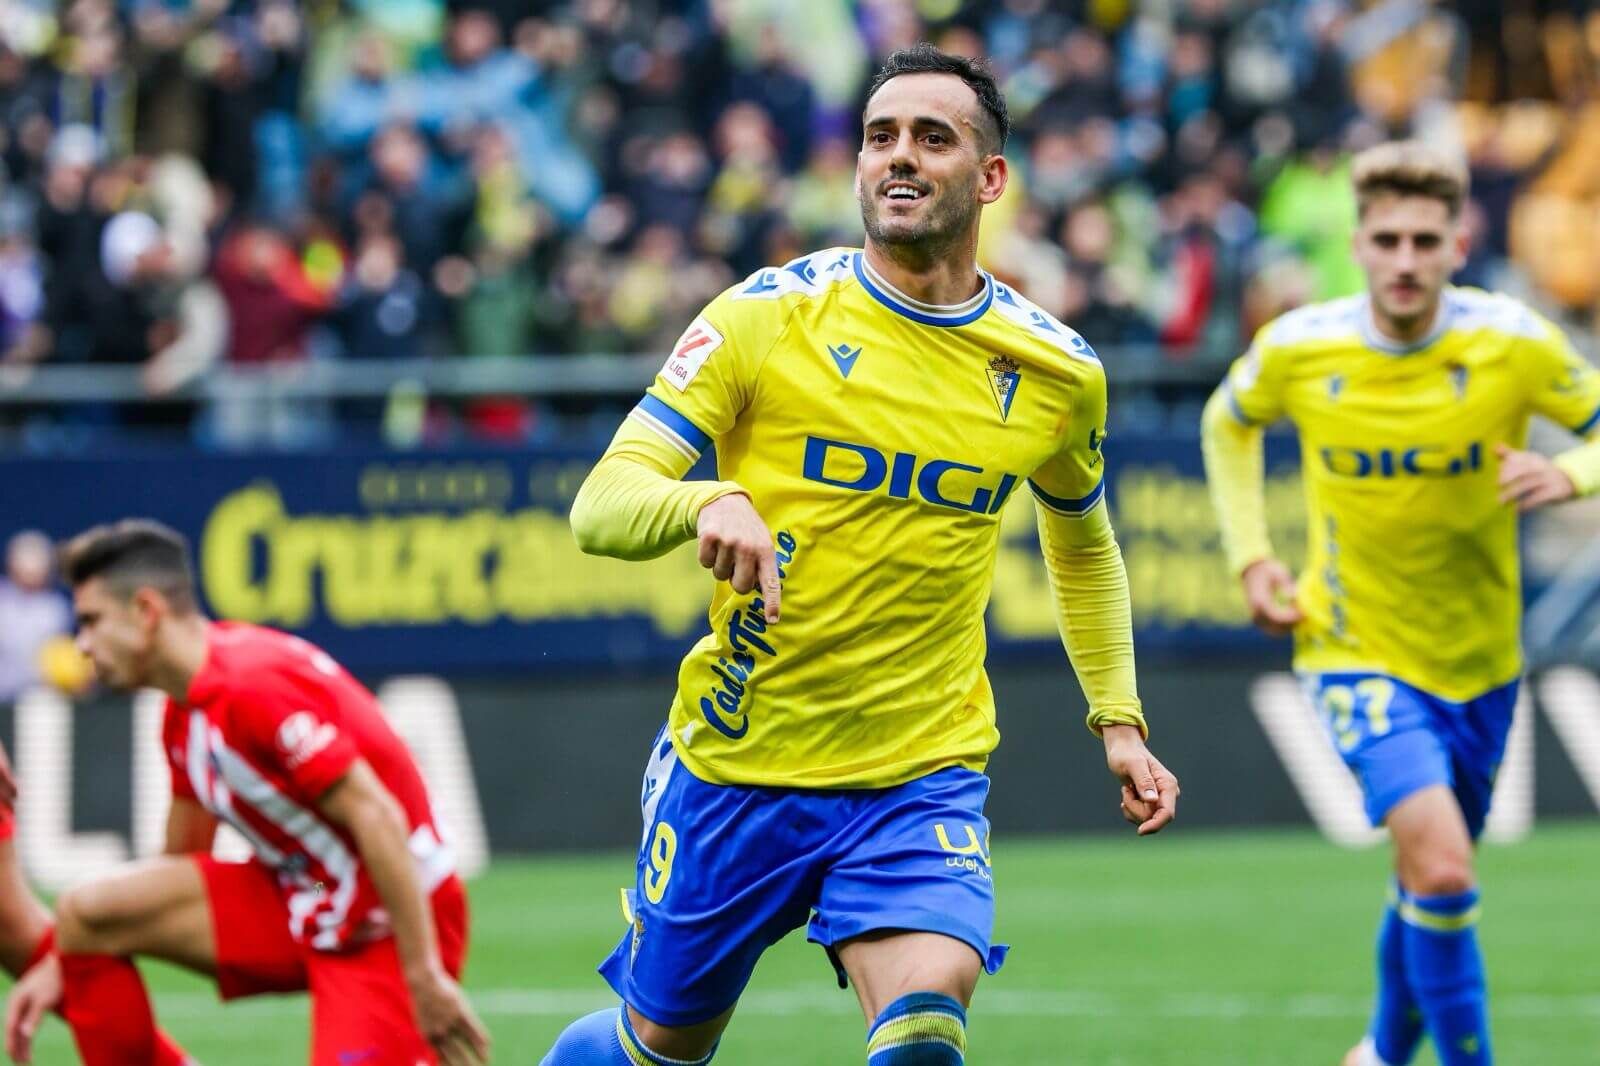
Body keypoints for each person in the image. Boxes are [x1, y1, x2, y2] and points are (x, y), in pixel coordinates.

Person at [545, 44, 1178, 1066]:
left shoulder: (1057, 370)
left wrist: (1118, 717)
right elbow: (602, 503)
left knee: (925, 1025)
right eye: (880, 135)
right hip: (742, 762)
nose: (899, 156)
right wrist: (710, 498)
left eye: (933, 137)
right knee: (658, 1043)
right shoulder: (764, 316)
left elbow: (1083, 543)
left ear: (990, 177)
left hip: (919, 772)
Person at [1201, 140, 1600, 1066]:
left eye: (1427, 239)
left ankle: (1381, 1051)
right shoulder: (1303, 348)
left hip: (1483, 662)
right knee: (1447, 865)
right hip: (1351, 647)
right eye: (1389, 239)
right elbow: (1227, 425)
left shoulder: (1513, 343)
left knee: (1430, 879)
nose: (1408, 260)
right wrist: (1253, 557)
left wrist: (1569, 473)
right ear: (1360, 243)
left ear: (1459, 244)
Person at [3, 520, 490, 1066]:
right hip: (303, 896)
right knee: (87, 913)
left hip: (388, 921)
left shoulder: (251, 686)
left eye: (91, 622)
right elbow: (179, 864)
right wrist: (64, 959)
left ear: (146, 611)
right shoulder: (182, 711)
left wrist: (423, 974)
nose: (82, 646)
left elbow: (378, 816)